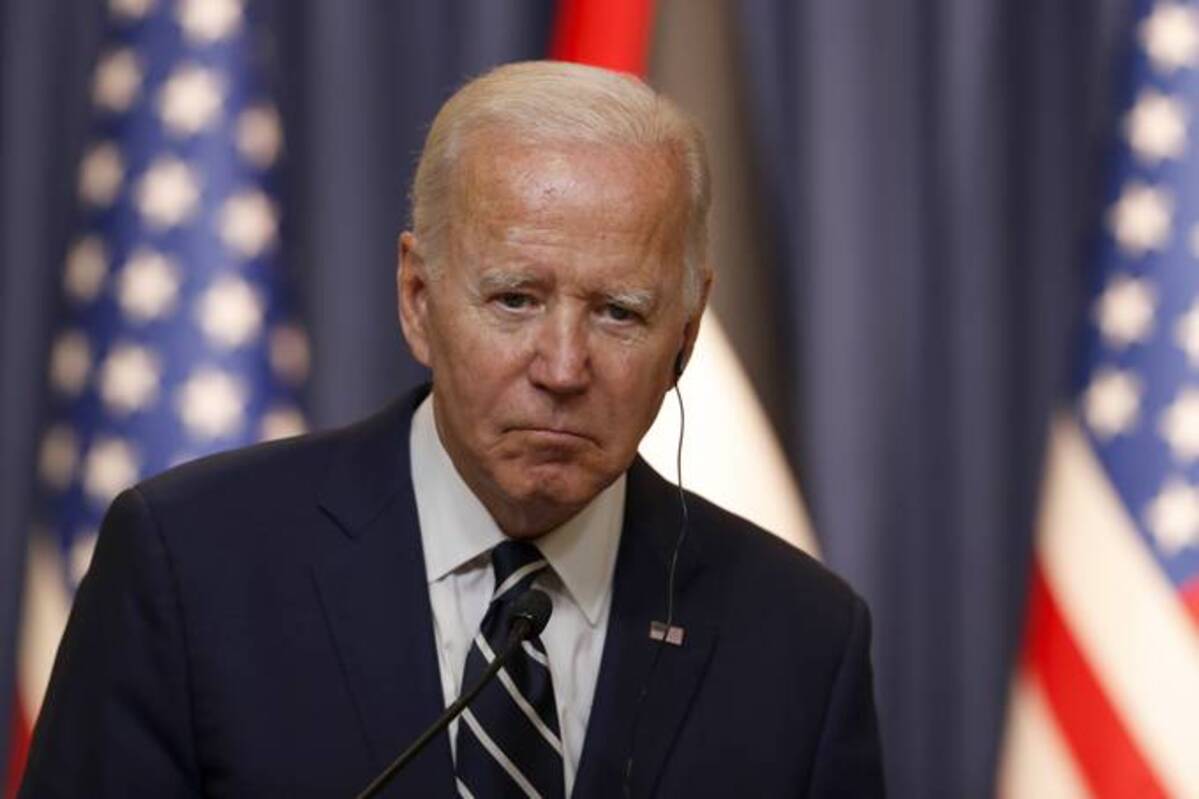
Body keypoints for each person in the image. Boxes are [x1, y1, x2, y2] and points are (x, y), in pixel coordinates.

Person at [20, 61, 884, 798]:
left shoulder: (799, 640)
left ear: (686, 337)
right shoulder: (192, 569)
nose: (561, 367)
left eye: (619, 312)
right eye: (515, 299)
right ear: (418, 300)